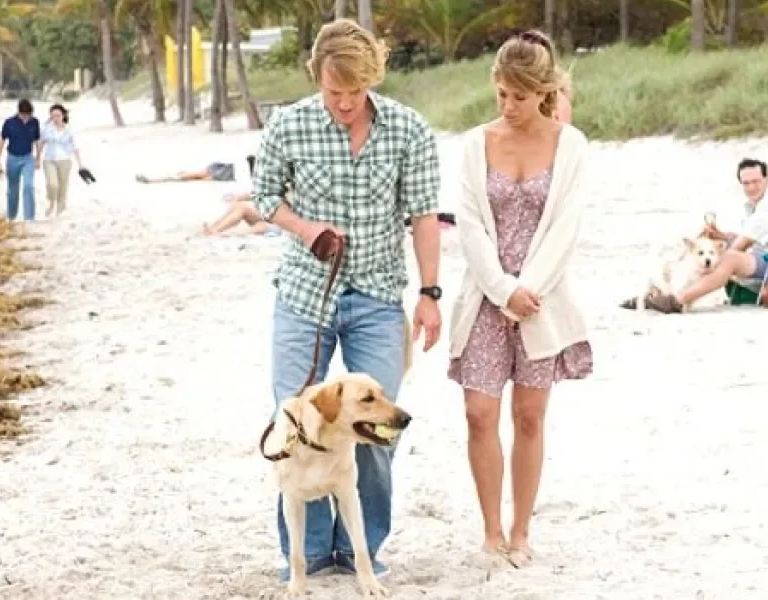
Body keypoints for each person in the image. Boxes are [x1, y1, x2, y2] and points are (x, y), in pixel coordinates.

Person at [251, 19, 442, 580]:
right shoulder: (289, 124)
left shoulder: (409, 129)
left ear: (371, 80)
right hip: (305, 296)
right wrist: (306, 228)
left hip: (380, 296)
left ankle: (362, 547)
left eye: (355, 92)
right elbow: (264, 199)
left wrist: (429, 293)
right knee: (296, 418)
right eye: (335, 92)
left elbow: (425, 216)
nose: (344, 103)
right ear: (318, 78)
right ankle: (307, 553)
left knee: (377, 429)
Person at [447, 30, 593, 568]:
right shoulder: (474, 143)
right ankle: (490, 530)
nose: (508, 106)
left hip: (543, 298)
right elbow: (467, 224)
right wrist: (504, 290)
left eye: (520, 96)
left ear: (545, 91)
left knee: (530, 416)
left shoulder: (571, 145)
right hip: (487, 296)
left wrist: (528, 289)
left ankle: (521, 530)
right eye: (501, 94)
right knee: (478, 412)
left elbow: (567, 224)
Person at [643, 158, 768, 314]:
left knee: (726, 258)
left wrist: (716, 252)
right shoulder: (755, 206)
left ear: (767, 181)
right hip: (765, 260)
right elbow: (744, 238)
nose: (751, 187)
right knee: (706, 249)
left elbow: (741, 245)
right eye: (746, 183)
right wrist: (719, 236)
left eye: (756, 181)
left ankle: (677, 300)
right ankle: (665, 294)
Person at [0, 98, 41, 221]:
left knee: (28, 186)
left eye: (28, 115)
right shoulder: (9, 123)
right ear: (18, 113)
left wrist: (38, 159)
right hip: (12, 158)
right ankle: (11, 216)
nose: (26, 118)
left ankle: (29, 218)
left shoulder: (35, 122)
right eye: (23, 115)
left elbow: (37, 141)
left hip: (28, 158)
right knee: (12, 190)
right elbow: (1, 141)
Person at [39, 104, 83, 217]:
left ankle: (60, 211)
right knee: (52, 184)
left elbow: (75, 147)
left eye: (58, 115)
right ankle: (51, 203)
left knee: (63, 187)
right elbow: (41, 143)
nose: (56, 118)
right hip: (49, 160)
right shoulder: (47, 128)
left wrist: (80, 164)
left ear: (63, 115)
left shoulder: (70, 129)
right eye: (53, 116)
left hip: (65, 161)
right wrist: (37, 158)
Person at [135, 161, 236, 183]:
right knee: (197, 176)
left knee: (197, 178)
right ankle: (153, 179)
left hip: (227, 172)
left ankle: (153, 180)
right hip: (226, 171)